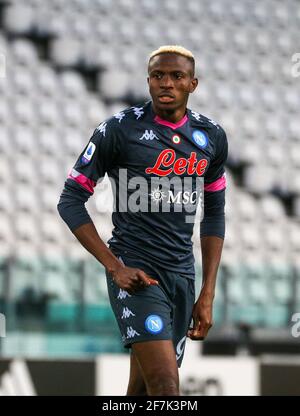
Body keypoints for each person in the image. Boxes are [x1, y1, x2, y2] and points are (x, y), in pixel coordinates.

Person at [57, 45, 228, 396]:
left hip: (181, 276)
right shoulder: (118, 131)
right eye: (158, 75)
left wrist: (208, 291)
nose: (166, 83)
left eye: (176, 76)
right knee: (166, 386)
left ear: (192, 84)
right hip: (136, 275)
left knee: (139, 392)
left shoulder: (211, 137)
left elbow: (214, 213)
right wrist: (114, 266)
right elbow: (70, 200)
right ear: (148, 81)